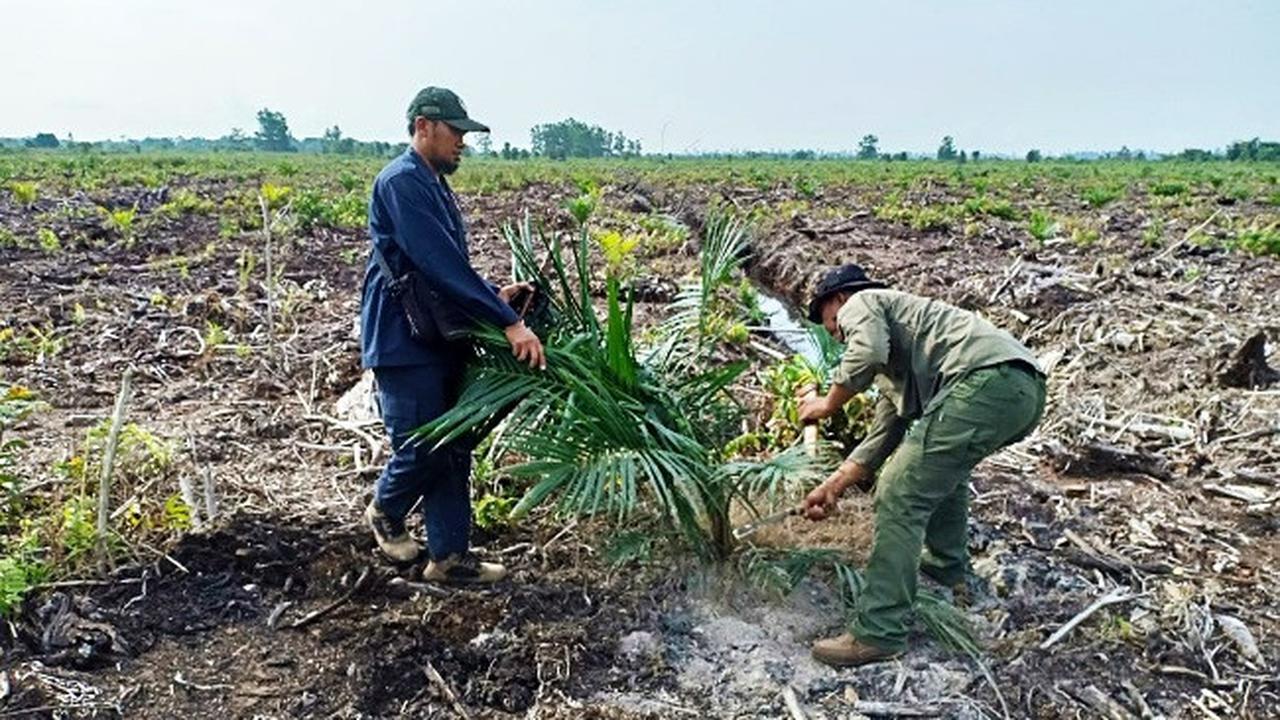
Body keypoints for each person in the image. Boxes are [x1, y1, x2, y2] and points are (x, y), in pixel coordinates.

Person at [797, 263, 1046, 667]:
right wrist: (833, 486)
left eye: (830, 325)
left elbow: (866, 351)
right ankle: (946, 567)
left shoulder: (862, 302)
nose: (836, 335)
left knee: (899, 489)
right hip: (1021, 389)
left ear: (837, 301)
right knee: (940, 471)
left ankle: (879, 632)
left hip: (987, 381)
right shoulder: (899, 359)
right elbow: (881, 438)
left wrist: (826, 404)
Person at [360, 86, 545, 584]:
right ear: (424, 127)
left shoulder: (431, 183)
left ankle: (448, 557)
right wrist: (508, 323)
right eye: (456, 132)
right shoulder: (401, 181)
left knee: (453, 442)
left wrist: (493, 295)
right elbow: (437, 265)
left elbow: (444, 266)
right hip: (404, 340)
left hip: (435, 334)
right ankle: (386, 508)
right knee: (425, 445)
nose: (462, 141)